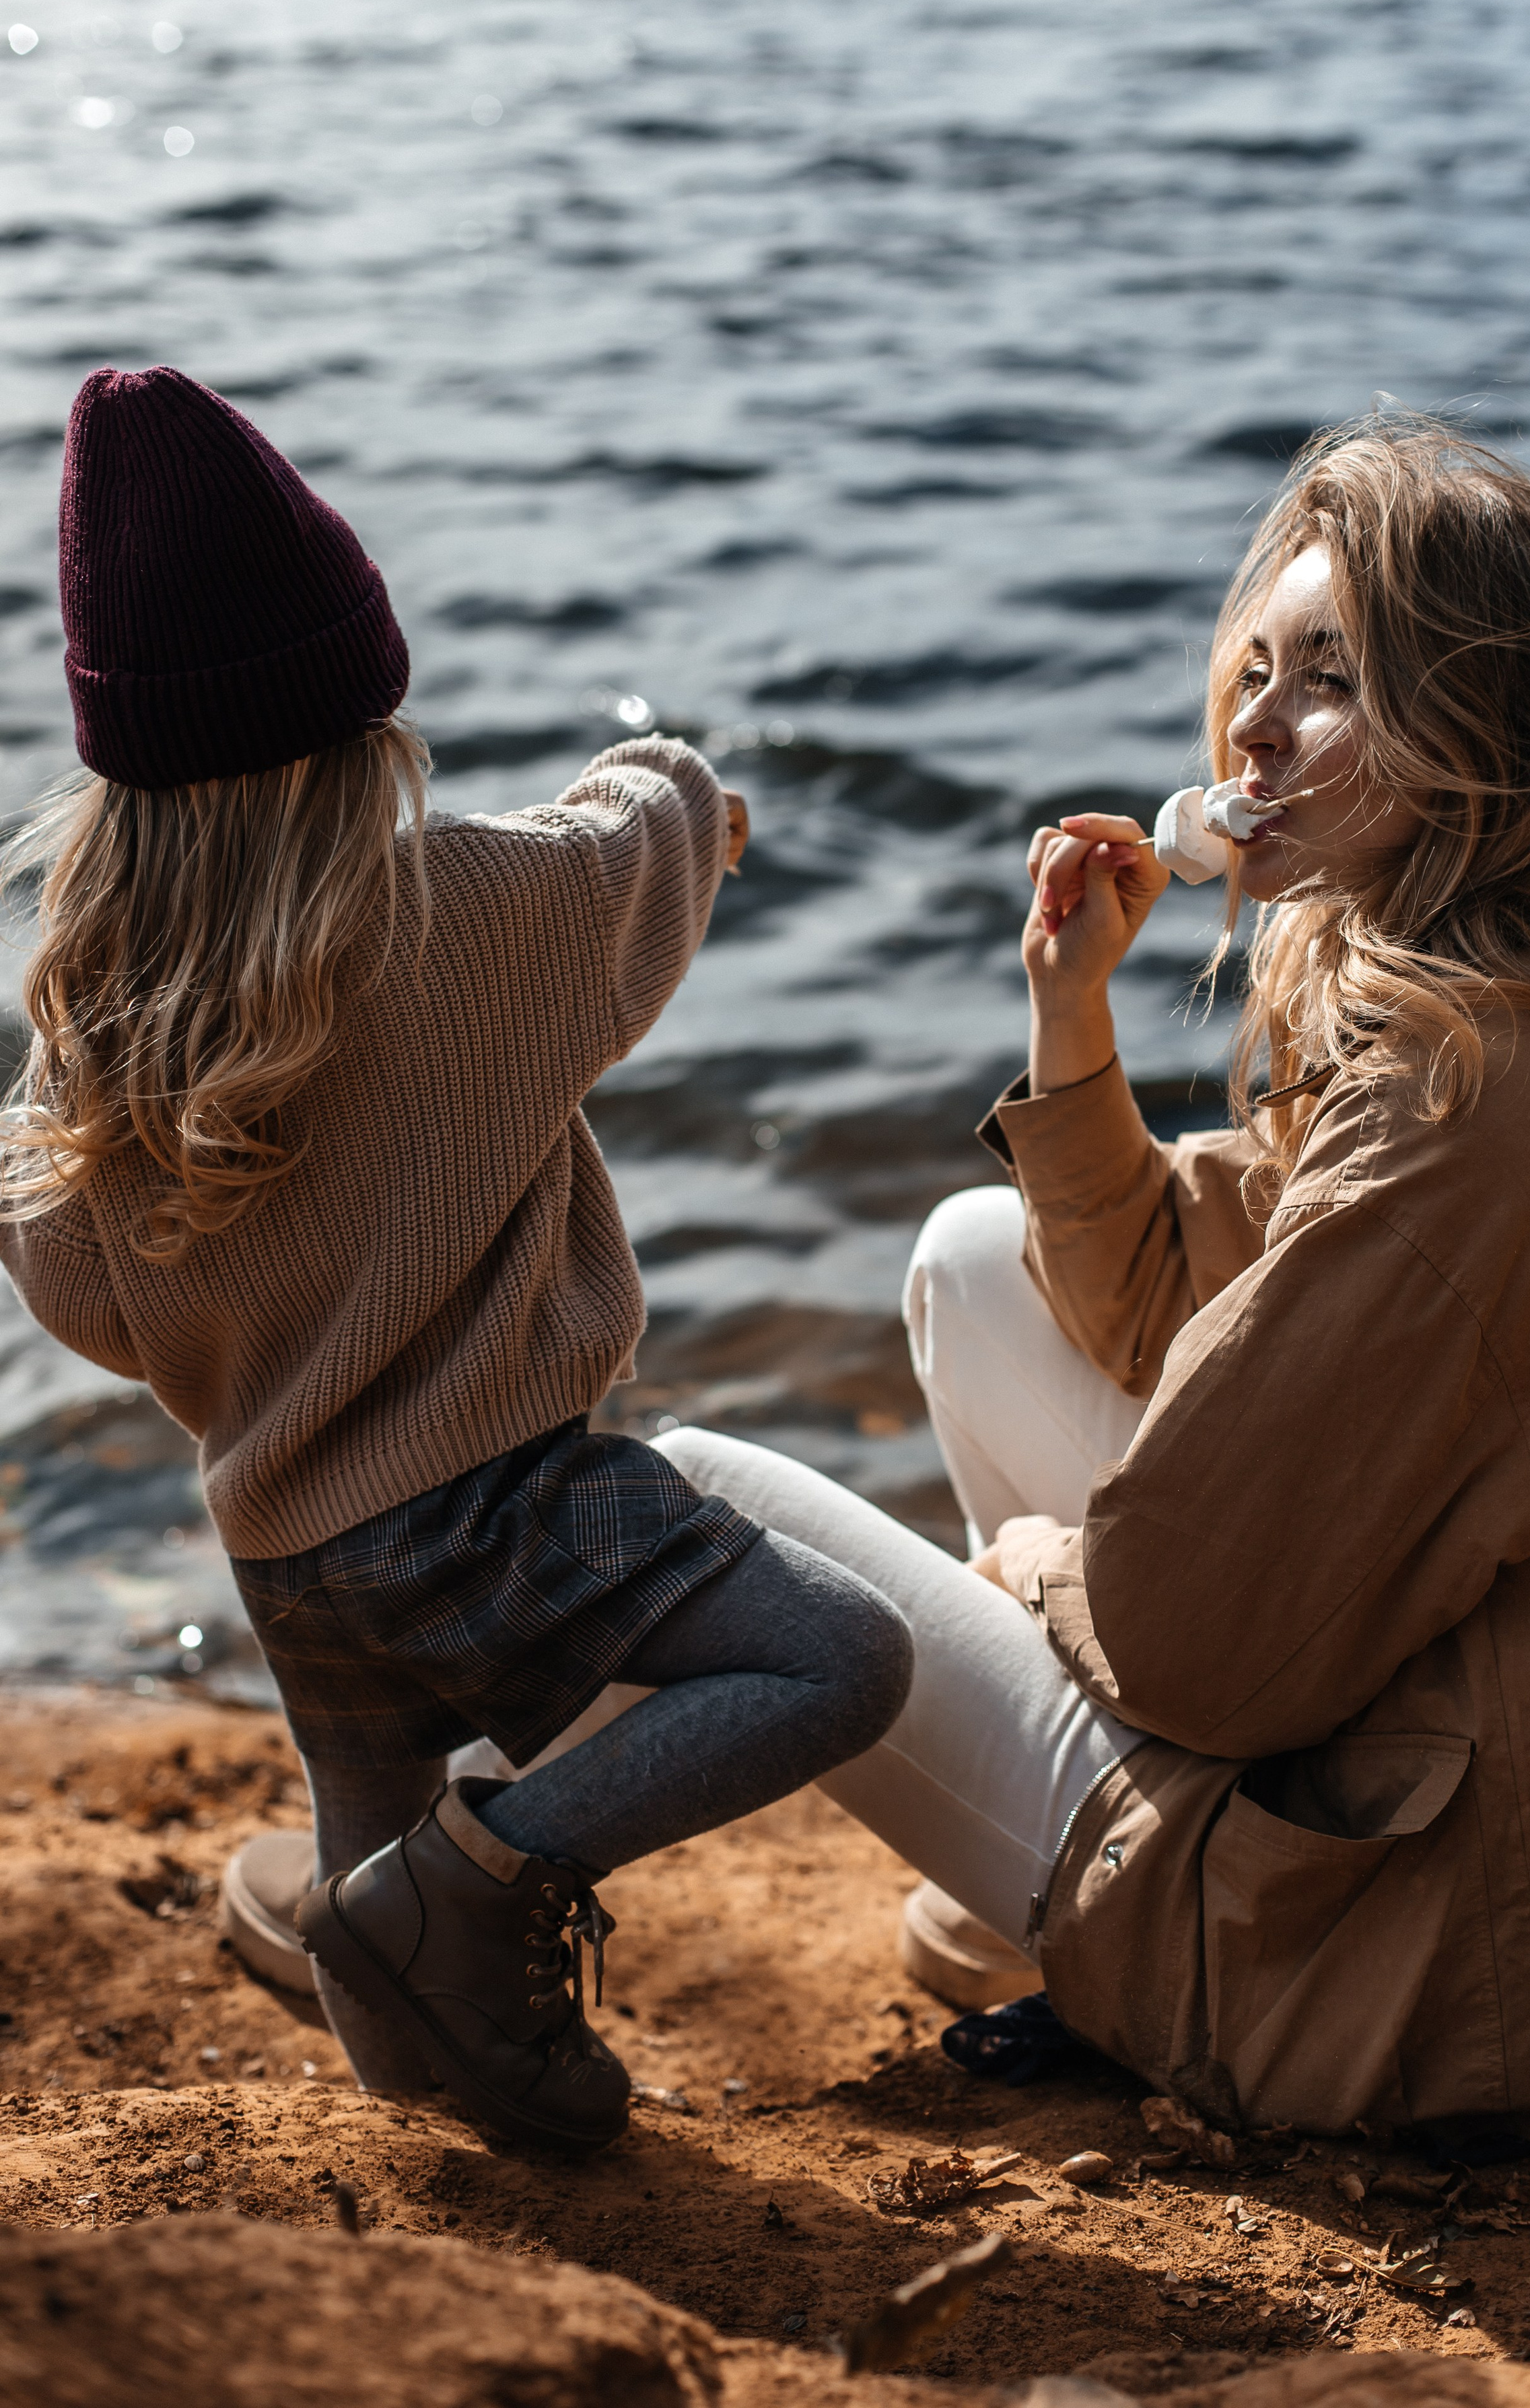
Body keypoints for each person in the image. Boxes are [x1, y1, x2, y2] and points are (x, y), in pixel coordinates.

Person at [653, 415, 1530, 2152]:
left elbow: (1185, 1645)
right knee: (975, 1259)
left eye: (1336, 680)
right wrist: (1072, 1014)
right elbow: (1174, 1295)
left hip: (1445, 1975)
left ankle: (444, 1882)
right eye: (1259, 669)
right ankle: (1059, 1891)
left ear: (1490, 733)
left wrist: (1045, 1571)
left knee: (692, 1507)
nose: (1255, 725)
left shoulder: (1464, 1104)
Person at [0, 366, 911, 2154]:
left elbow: (77, 1291)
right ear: (365, 713)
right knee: (836, 1664)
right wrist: (688, 792)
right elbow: (658, 825)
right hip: (501, 1503)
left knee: (365, 1836)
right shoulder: (483, 912)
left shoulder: (100, 1021)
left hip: (288, 1540)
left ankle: (430, 2087)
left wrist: (258, 1323)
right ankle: (500, 1865)